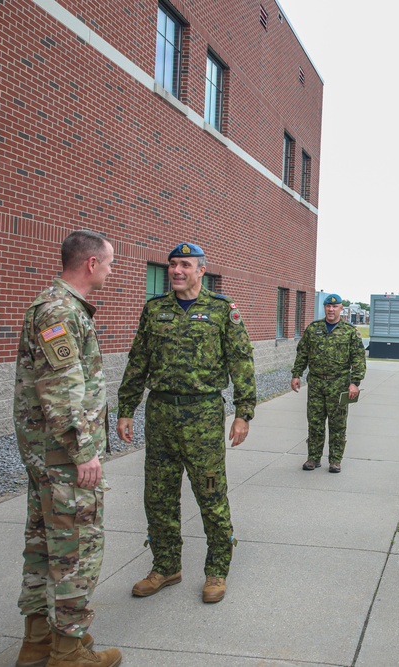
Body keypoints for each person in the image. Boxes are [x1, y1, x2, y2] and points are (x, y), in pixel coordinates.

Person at [117, 242, 256, 604]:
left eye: (185, 265)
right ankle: (165, 566)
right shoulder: (154, 310)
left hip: (204, 416)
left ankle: (216, 570)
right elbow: (138, 361)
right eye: (172, 265)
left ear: (200, 271)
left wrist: (243, 412)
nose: (176, 271)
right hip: (161, 414)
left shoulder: (222, 310)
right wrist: (126, 408)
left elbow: (241, 362)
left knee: (210, 494)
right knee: (158, 496)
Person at [13, 230, 122, 667]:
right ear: (91, 264)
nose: (112, 270)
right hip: (63, 456)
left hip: (48, 453)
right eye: (110, 262)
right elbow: (61, 390)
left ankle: (38, 641)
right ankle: (68, 651)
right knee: (77, 548)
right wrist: (84, 451)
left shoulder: (57, 307)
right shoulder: (59, 312)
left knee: (43, 543)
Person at [291, 293, 367, 473]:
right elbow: (303, 353)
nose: (331, 309)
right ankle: (313, 458)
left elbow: (358, 359)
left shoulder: (350, 332)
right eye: (328, 306)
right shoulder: (313, 329)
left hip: (340, 384)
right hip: (316, 384)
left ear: (342, 308)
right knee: (315, 422)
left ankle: (335, 460)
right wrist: (296, 374)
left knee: (338, 424)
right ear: (324, 308)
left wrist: (355, 382)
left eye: (335, 306)